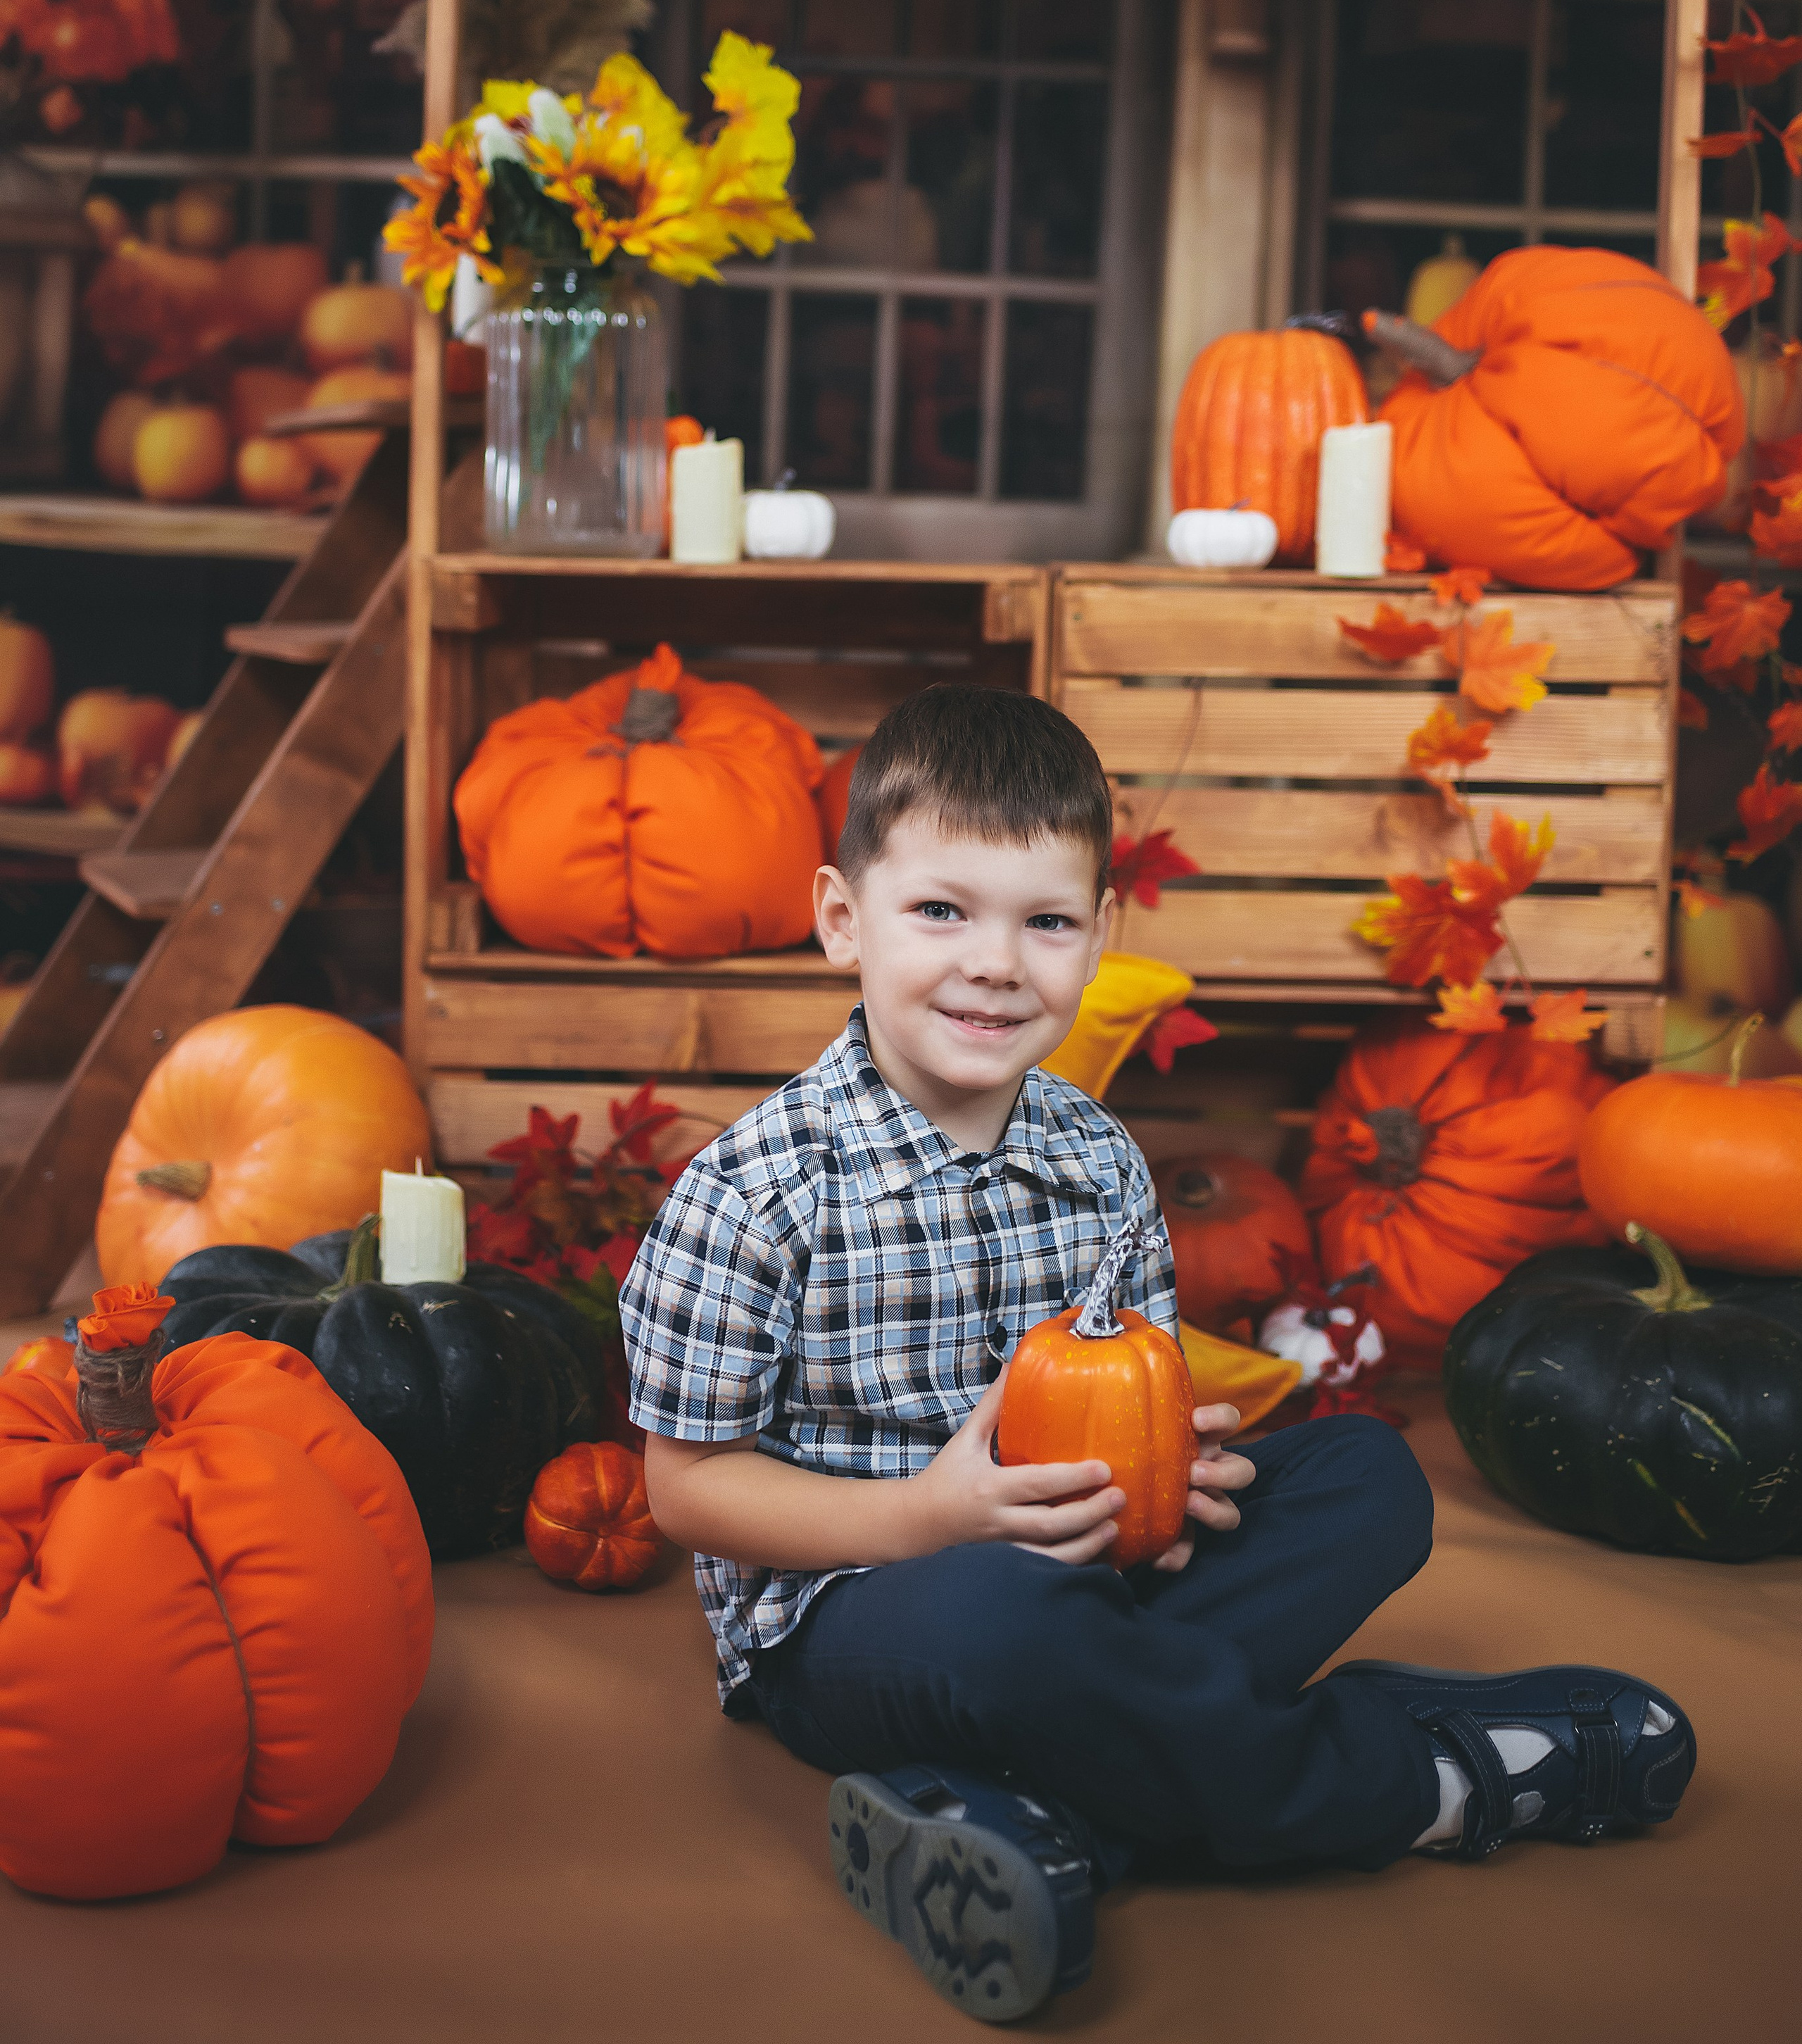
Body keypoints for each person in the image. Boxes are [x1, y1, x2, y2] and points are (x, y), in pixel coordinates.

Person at [619, 687, 1695, 2025]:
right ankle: (1419, 1780)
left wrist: (1172, 1479)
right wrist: (931, 1516)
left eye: (1046, 921)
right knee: (1013, 1616)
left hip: (1091, 1578)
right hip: (858, 1613)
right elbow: (684, 1490)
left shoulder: (1098, 1160)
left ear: (1100, 932)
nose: (996, 963)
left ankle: (1031, 1816)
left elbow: (1138, 1391)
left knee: (1368, 1477)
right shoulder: (753, 1192)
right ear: (845, 919)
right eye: (941, 910)